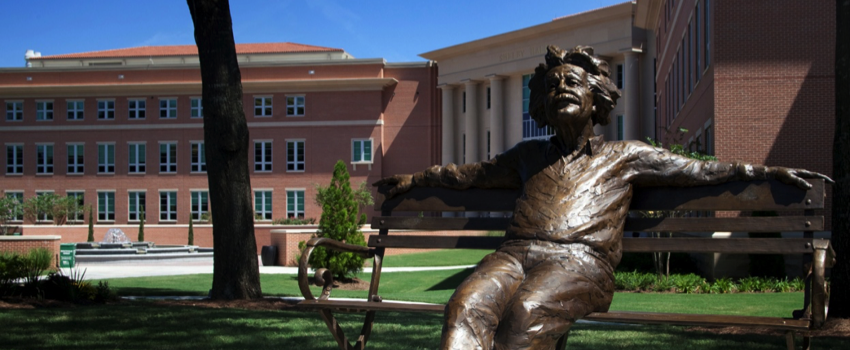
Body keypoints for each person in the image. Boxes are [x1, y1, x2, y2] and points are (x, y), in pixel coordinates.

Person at [375, 45, 831, 350]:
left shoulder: (625, 156)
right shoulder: (527, 155)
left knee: (528, 312)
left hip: (579, 263)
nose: (562, 90)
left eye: (573, 82)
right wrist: (416, 179)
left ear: (597, 99)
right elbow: (469, 175)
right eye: (553, 86)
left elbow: (697, 170)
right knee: (465, 304)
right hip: (513, 255)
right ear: (543, 107)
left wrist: (763, 170)